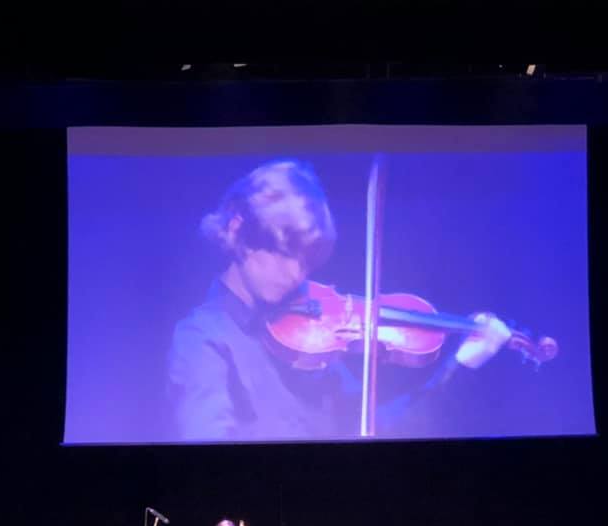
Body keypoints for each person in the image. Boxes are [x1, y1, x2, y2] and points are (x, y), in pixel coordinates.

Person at [167, 159, 513, 441]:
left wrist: (461, 368)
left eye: (306, 261)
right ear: (238, 229)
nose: (296, 275)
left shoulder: (313, 337)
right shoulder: (202, 339)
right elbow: (209, 459)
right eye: (284, 254)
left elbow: (378, 435)